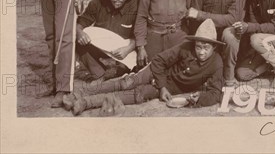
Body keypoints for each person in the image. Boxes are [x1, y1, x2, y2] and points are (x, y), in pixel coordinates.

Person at [63, 19, 225, 115]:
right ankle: (79, 93)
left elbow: (216, 93)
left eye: (206, 48)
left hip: (172, 87)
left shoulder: (217, 63)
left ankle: (86, 102)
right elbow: (159, 61)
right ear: (194, 43)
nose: (201, 52)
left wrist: (199, 99)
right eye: (198, 47)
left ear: (214, 48)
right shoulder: (185, 47)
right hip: (157, 71)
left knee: (139, 94)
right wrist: (161, 85)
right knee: (128, 82)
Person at [188, 0, 248, 86]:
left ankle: (228, 76)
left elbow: (232, 18)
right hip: (205, 28)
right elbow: (193, 13)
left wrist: (201, 15)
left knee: (230, 36)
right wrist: (199, 19)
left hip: (226, 28)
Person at [76, 0, 139, 82]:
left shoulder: (136, 7)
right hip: (102, 45)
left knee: (138, 57)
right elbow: (81, 23)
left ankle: (123, 70)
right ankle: (99, 73)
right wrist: (79, 32)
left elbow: (142, 33)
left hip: (126, 48)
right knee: (79, 42)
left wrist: (128, 49)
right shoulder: (97, 4)